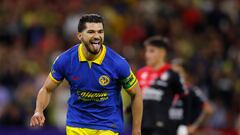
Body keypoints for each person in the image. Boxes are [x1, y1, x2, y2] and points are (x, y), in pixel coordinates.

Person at [30, 14, 143, 135]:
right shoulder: (66, 60)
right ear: (79, 36)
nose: (97, 36)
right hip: (76, 125)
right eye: (91, 32)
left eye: (100, 32)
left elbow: (136, 93)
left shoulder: (117, 63)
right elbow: (46, 89)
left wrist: (136, 129)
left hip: (108, 125)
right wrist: (38, 110)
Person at [136, 36, 187, 135]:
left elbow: (186, 98)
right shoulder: (140, 73)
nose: (147, 55)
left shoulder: (172, 74)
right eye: (146, 51)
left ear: (162, 53)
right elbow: (138, 99)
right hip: (141, 126)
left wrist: (184, 124)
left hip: (161, 127)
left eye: (151, 51)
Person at [170, 58, 213, 135]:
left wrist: (194, 126)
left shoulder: (192, 90)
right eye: (173, 73)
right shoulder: (167, 91)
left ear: (185, 74)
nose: (175, 76)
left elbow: (209, 109)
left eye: (178, 72)